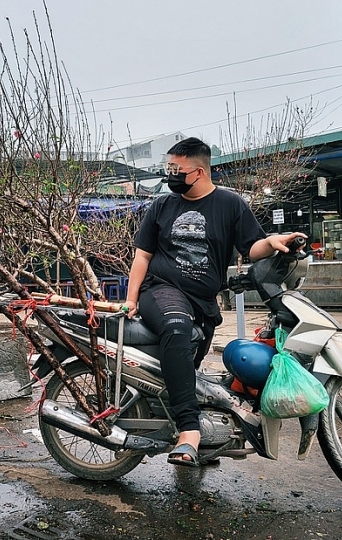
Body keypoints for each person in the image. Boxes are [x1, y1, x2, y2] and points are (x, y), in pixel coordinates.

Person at [123, 137, 305, 467]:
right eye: (169, 169)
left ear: (200, 171)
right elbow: (143, 255)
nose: (170, 175)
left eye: (176, 169)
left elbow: (252, 247)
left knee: (189, 370)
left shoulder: (230, 204)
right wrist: (131, 299)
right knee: (176, 328)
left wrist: (274, 241)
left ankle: (208, 441)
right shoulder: (162, 206)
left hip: (203, 302)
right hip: (161, 290)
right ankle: (189, 431)